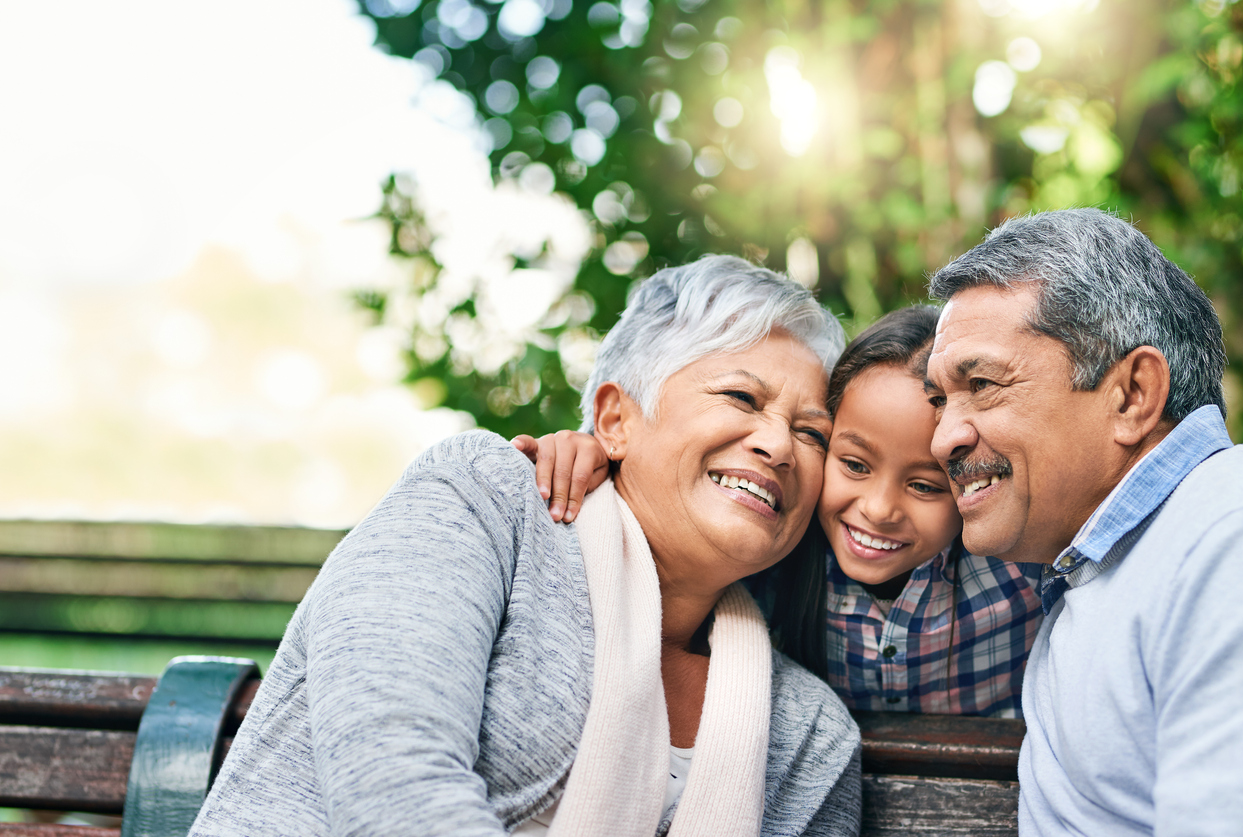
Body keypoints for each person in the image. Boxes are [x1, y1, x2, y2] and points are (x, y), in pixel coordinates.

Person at [190, 255, 862, 837]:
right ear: (615, 419)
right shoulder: (487, 503)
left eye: (812, 434)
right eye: (742, 397)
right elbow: (390, 771)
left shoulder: (806, 733)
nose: (779, 445)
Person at [520, 305, 1043, 717]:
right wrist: (593, 451)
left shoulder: (1020, 570)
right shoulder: (768, 558)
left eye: (926, 487)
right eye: (855, 466)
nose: (880, 510)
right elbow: (669, 504)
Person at [924, 208, 1243, 836]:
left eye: (984, 384)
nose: (943, 438)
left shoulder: (1230, 537)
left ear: (1131, 395)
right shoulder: (1091, 573)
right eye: (939, 399)